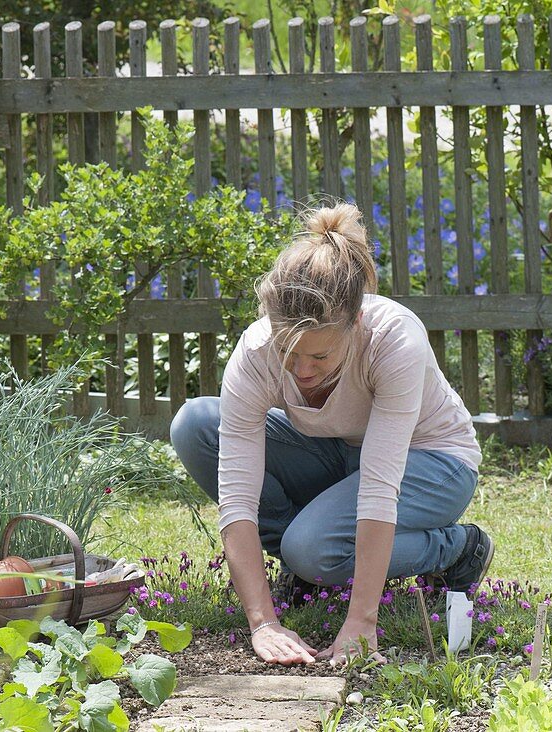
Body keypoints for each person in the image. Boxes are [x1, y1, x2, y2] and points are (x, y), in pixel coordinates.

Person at [170, 203, 493, 666]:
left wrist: (362, 619)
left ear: (355, 322)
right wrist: (262, 622)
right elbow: (238, 498)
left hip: (434, 461)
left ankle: (457, 548)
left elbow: (380, 489)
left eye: (319, 357)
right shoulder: (257, 351)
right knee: (197, 424)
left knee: (313, 549)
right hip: (339, 453)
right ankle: (313, 567)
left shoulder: (394, 340)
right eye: (289, 351)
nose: (301, 370)